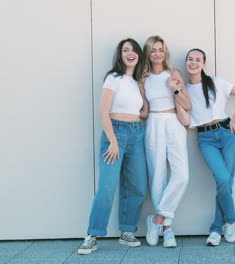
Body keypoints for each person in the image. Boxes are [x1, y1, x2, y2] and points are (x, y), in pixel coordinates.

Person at [78, 38, 147, 254]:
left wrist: (143, 86)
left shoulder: (136, 82)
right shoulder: (113, 78)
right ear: (120, 55)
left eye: (133, 50)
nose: (130, 53)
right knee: (108, 187)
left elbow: (143, 112)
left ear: (138, 55)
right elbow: (103, 112)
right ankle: (93, 234)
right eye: (125, 50)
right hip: (115, 132)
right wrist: (114, 141)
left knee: (137, 186)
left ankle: (127, 231)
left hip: (137, 133)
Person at [184, 48, 235, 246]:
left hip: (226, 134)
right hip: (205, 138)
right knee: (222, 178)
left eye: (198, 60)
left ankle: (217, 229)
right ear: (186, 63)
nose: (193, 63)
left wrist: (234, 119)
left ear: (204, 64)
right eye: (190, 59)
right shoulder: (184, 90)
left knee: (226, 183)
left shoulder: (217, 82)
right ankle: (229, 221)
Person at [139, 35, 191, 248]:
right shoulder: (143, 78)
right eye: (153, 50)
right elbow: (144, 110)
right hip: (153, 123)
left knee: (182, 174)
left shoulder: (174, 73)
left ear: (165, 51)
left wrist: (174, 88)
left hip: (173, 123)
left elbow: (186, 104)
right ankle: (168, 229)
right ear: (148, 53)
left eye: (161, 49)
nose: (158, 53)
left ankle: (158, 219)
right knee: (157, 175)